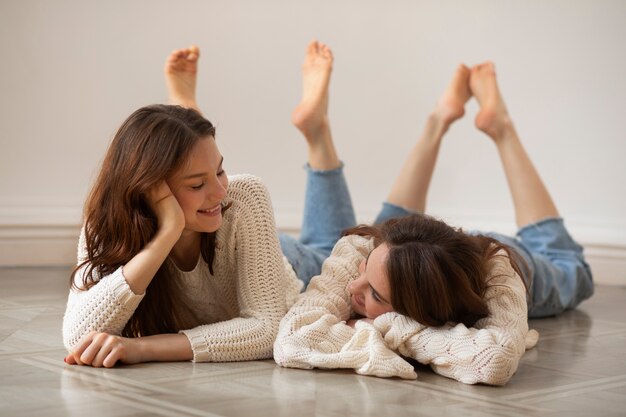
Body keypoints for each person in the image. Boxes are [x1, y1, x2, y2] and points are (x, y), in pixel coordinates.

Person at [273, 45, 594, 385]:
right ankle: (444, 120)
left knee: (569, 265)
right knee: (394, 243)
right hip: (428, 249)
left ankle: (498, 126)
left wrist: (386, 327)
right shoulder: (360, 250)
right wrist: (388, 319)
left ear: (427, 311)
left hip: (497, 256)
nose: (353, 285)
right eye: (366, 275)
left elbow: (494, 362)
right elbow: (293, 339)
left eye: (376, 295)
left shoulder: (499, 274)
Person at [62, 43, 345, 367]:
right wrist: (167, 233)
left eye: (220, 170)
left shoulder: (243, 198)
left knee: (335, 248)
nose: (219, 191)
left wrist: (142, 349)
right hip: (222, 244)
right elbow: (78, 337)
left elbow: (267, 331)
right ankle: (189, 121)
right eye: (197, 184)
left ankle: (319, 133)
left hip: (287, 265)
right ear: (149, 191)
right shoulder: (106, 223)